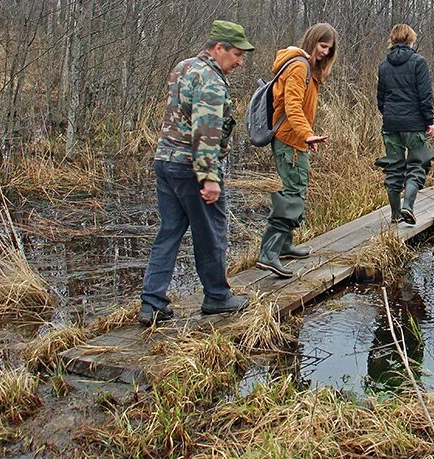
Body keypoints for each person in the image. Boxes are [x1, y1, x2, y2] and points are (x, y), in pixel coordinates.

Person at [138, 20, 254, 326]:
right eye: (237, 54)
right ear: (219, 48)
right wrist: (209, 177)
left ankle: (152, 302)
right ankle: (217, 296)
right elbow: (205, 132)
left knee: (169, 230)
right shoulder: (212, 82)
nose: (240, 62)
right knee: (211, 232)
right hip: (192, 168)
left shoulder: (183, 66)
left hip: (165, 163)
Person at [256, 23, 338, 279]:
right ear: (313, 41)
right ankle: (268, 253)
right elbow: (292, 107)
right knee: (293, 194)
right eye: (322, 46)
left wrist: (307, 136)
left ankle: (284, 245)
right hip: (290, 141)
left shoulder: (306, 67)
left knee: (297, 189)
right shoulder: (298, 66)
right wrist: (307, 133)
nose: (325, 52)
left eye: (329, 49)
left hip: (296, 140)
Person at [375, 24, 434, 224]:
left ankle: (395, 215)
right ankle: (408, 207)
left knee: (394, 168)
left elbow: (380, 98)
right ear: (411, 40)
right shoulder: (418, 62)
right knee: (418, 165)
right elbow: (425, 95)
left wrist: (389, 116)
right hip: (413, 124)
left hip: (391, 124)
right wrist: (429, 121)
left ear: (392, 41)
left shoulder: (384, 64)